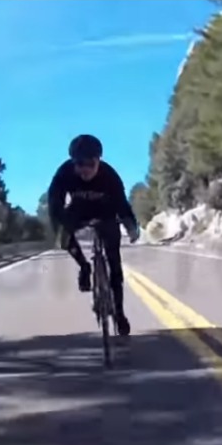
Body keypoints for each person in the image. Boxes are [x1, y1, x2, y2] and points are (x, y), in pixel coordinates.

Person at [46, 134, 141, 337]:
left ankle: (120, 313)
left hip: (106, 212)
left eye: (90, 163)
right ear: (73, 163)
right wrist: (60, 231)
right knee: (64, 235)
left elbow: (122, 204)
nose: (85, 169)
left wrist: (131, 226)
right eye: (80, 164)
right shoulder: (64, 174)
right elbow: (55, 205)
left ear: (99, 160)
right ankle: (85, 266)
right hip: (78, 212)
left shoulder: (109, 175)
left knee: (115, 264)